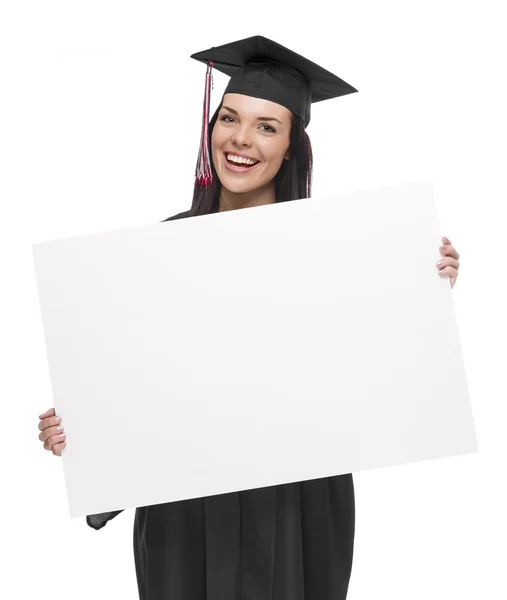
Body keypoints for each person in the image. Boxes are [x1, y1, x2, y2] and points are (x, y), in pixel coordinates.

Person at [37, 36, 461, 600]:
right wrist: (80, 436)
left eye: (267, 126)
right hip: (183, 503)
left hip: (296, 499)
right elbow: (127, 386)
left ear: (291, 148)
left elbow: (377, 371)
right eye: (230, 119)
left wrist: (423, 290)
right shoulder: (154, 253)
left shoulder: (340, 253)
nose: (241, 140)